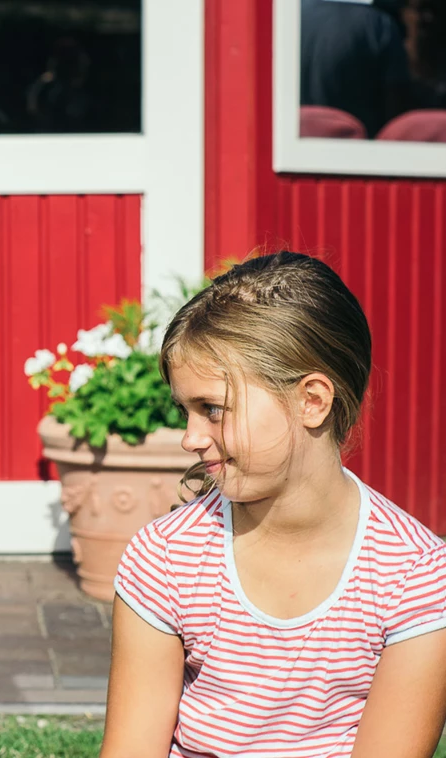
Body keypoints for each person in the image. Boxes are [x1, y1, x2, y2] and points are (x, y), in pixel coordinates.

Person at [100, 252, 446, 757]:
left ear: (312, 400)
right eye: (186, 410)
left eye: (213, 409)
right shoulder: (165, 558)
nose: (190, 439)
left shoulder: (413, 576)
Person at [300, 0, 414, 137]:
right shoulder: (379, 24)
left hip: (296, 146)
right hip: (359, 150)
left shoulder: (290, 15)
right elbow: (397, 105)